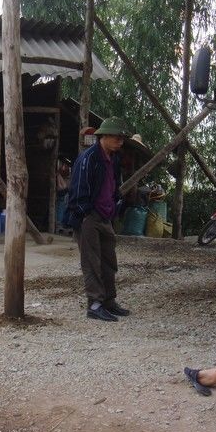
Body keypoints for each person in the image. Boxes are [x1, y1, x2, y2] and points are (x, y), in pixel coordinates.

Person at [65, 116, 132, 322]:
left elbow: (112, 186)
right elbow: (77, 189)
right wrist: (84, 213)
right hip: (89, 216)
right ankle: (94, 304)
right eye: (116, 137)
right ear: (103, 136)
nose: (120, 141)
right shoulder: (88, 158)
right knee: (91, 261)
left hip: (105, 215)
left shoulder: (113, 158)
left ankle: (109, 301)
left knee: (108, 261)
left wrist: (116, 205)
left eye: (122, 138)